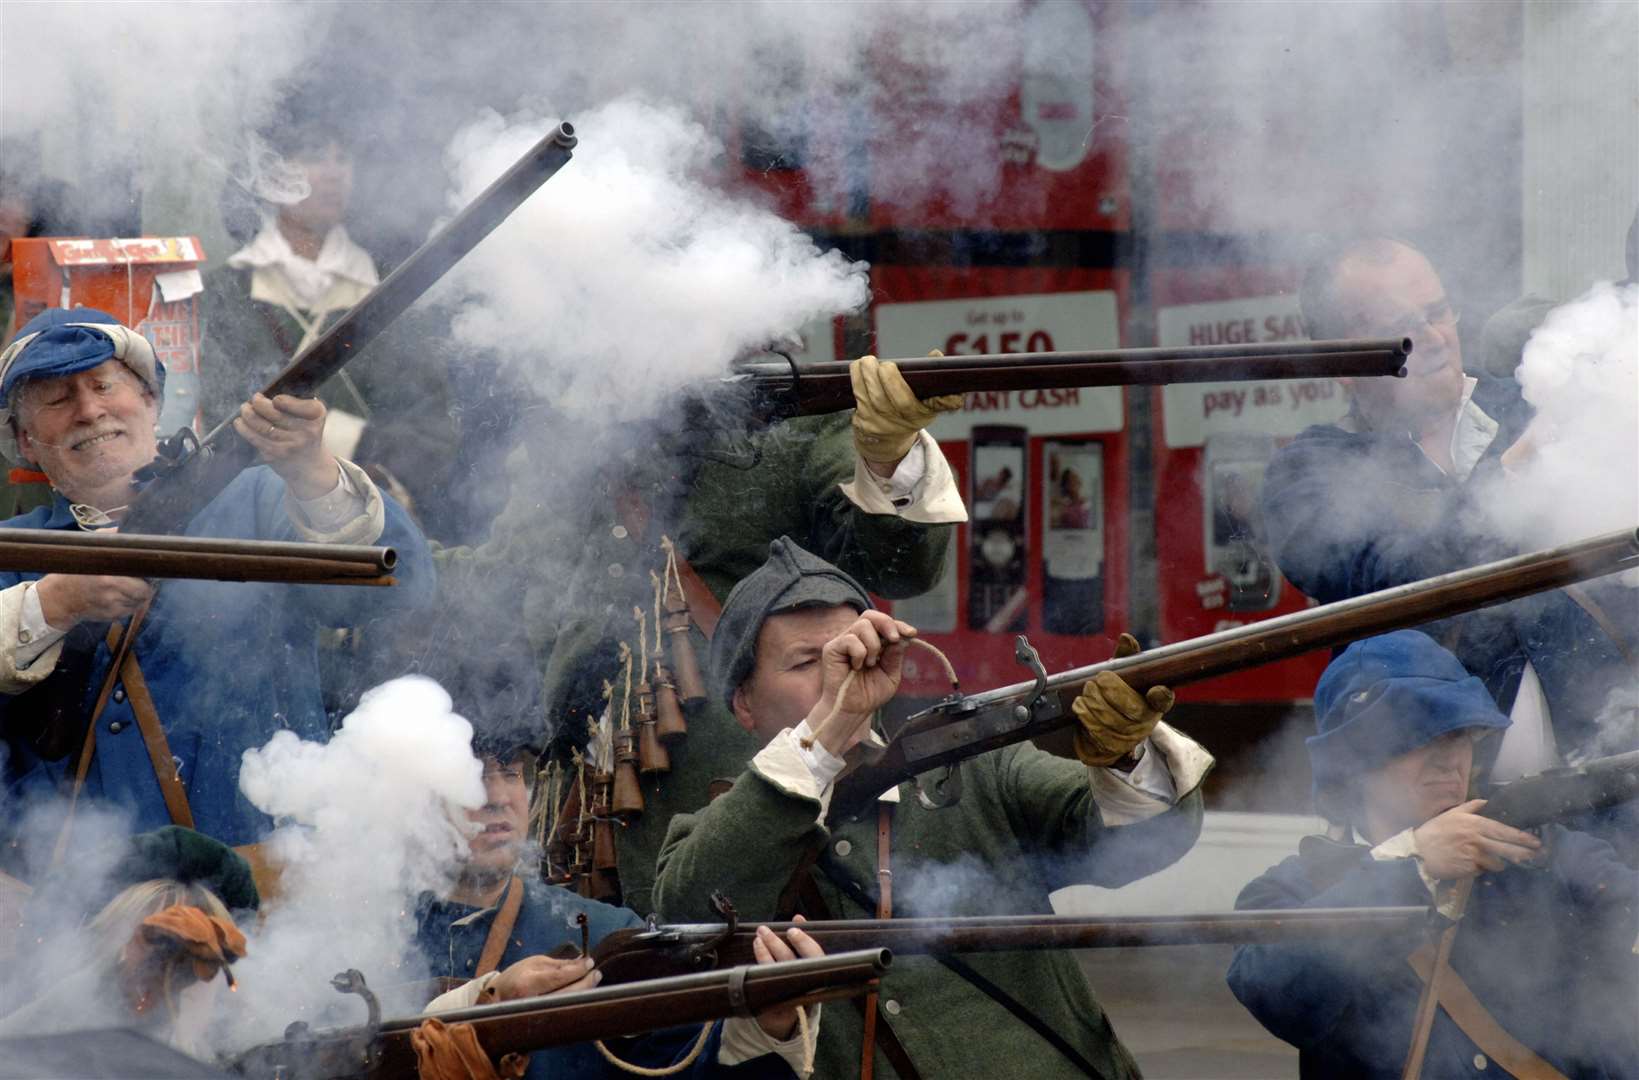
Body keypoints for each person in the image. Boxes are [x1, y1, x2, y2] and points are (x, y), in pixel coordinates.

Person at [650, 538, 1215, 1079]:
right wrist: (822, 736)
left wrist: (1123, 754)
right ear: (743, 702)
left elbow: (1139, 842)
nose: (840, 678)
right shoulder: (711, 836)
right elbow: (688, 912)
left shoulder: (978, 774)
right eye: (806, 664)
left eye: (850, 653)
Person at [435, 352, 966, 917]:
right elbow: (488, 579)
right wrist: (343, 506)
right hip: (583, 808)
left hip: (742, 773)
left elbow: (900, 566)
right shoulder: (569, 432)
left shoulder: (782, 407)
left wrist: (889, 457)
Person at [0, 307, 434, 859]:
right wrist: (56, 601)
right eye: (58, 399)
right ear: (26, 441)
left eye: (104, 385)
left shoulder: (261, 497)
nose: (89, 410)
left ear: (152, 402)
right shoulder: (15, 547)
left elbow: (401, 587)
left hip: (264, 879)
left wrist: (312, 472)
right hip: (74, 904)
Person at [1261, 236, 1631, 778]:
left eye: (1438, 312)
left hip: (1614, 783)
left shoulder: (1537, 405)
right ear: (1341, 358)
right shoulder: (1313, 473)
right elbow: (1392, 579)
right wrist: (1509, 482)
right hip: (1443, 816)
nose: (1434, 337)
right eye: (1404, 327)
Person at [1226, 630, 1639, 1079]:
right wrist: (1414, 864)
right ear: (1353, 759)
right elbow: (1281, 998)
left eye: (1461, 735)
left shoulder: (1546, 854)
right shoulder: (1293, 890)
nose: (1449, 759)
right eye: (1420, 735)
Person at [413, 645, 824, 1079]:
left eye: (512, 772)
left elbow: (685, 1067)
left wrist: (770, 1023)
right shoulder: (371, 932)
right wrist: (490, 1002)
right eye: (473, 774)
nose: (498, 798)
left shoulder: (613, 935)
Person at [200, 106, 456, 530]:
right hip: (259, 527)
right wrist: (348, 439)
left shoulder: (388, 291)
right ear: (270, 174)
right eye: (315, 157)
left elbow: (432, 439)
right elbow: (222, 426)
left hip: (375, 525)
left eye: (343, 158)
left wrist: (336, 444)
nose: (334, 173)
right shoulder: (226, 292)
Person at [0, 825, 257, 1060]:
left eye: (191, 955)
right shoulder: (50, 1042)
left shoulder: (249, 1061)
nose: (168, 970)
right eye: (154, 944)